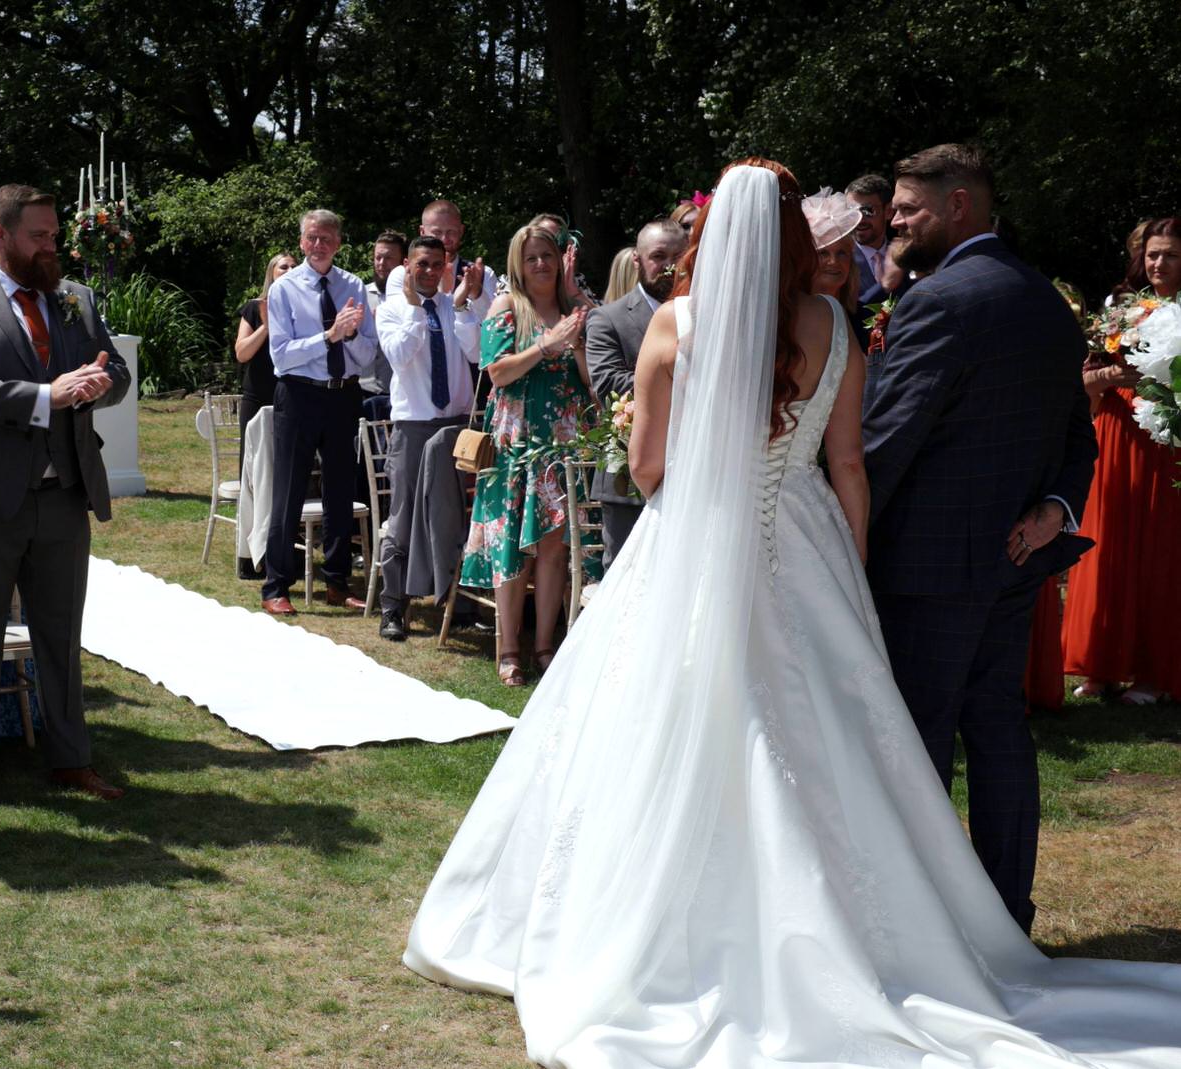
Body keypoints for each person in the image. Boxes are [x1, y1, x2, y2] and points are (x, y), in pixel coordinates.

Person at [406, 158, 1181, 1068]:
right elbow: (851, 465)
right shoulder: (835, 326)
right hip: (808, 542)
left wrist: (709, 475)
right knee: (847, 736)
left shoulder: (672, 324)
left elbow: (651, 470)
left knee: (658, 719)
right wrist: (849, 574)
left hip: (691, 543)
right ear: (792, 237)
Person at [865, 143, 1097, 932]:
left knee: (921, 739)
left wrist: (831, 527)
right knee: (997, 730)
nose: (893, 221)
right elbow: (1079, 437)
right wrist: (1055, 508)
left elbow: (889, 440)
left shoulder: (941, 303)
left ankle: (926, 924)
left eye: (907, 207)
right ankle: (1005, 913)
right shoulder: (1045, 301)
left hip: (928, 569)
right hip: (1015, 561)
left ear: (959, 204)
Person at [0, 184, 130, 818]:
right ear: (0, 235)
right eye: (39, 235)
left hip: (63, 493)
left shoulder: (73, 299)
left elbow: (115, 371)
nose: (52, 246)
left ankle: (70, 758)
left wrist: (96, 384)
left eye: (54, 235)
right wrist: (46, 397)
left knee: (61, 637)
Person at [459, 223, 589, 685]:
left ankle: (545, 647)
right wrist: (543, 345)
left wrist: (573, 342)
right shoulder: (506, 308)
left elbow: (592, 381)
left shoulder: (577, 311)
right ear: (518, 262)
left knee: (554, 550)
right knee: (511, 547)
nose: (540, 265)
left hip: (561, 449)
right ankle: (509, 648)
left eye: (547, 256)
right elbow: (496, 373)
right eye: (531, 257)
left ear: (559, 260)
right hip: (514, 447)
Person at [1062, 216, 1181, 705]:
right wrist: (1108, 373)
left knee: (1154, 547)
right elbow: (1093, 372)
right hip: (1114, 432)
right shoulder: (1123, 308)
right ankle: (1101, 665)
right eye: (1153, 254)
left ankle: (1153, 673)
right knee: (1106, 543)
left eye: (1171, 254)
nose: (1159, 263)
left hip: (1162, 440)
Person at [259, 208, 379, 616]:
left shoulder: (353, 286)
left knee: (341, 491)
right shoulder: (284, 290)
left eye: (326, 238)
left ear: (339, 242)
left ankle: (338, 581)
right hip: (299, 394)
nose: (318, 245)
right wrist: (329, 336)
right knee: (289, 489)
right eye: (312, 237)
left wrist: (348, 338)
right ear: (301, 241)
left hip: (343, 393)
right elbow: (281, 357)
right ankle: (276, 584)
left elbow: (367, 353)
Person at [373, 236, 478, 642]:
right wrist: (418, 312)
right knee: (402, 517)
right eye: (422, 264)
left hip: (455, 424)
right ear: (408, 266)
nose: (430, 272)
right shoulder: (392, 309)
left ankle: (461, 602)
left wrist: (466, 304)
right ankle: (393, 607)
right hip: (415, 426)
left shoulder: (456, 305)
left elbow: (476, 353)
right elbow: (398, 356)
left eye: (437, 264)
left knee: (458, 516)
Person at [584, 218, 683, 565]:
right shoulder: (607, 319)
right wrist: (681, 378)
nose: (670, 265)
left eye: (679, 255)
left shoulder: (705, 315)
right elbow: (608, 383)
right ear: (637, 260)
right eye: (659, 256)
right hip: (628, 477)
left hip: (693, 469)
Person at [234, 253, 295, 437]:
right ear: (271, 274)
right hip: (258, 395)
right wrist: (266, 327)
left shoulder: (304, 311)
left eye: (294, 267)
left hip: (293, 394)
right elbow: (241, 353)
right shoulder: (255, 307)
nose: (290, 271)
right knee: (253, 459)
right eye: (284, 267)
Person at [802, 186, 870, 339]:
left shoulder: (864, 317)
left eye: (842, 253)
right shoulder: (793, 316)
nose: (833, 261)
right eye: (823, 253)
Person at [360, 230, 407, 397]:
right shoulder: (361, 295)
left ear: (403, 262)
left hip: (402, 392)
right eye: (377, 257)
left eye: (388, 258)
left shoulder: (413, 300)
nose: (381, 263)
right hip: (364, 390)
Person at [848, 173, 895, 304]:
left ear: (889, 211)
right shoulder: (840, 259)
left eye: (868, 210)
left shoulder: (904, 256)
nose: (860, 219)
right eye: (852, 212)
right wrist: (886, 284)